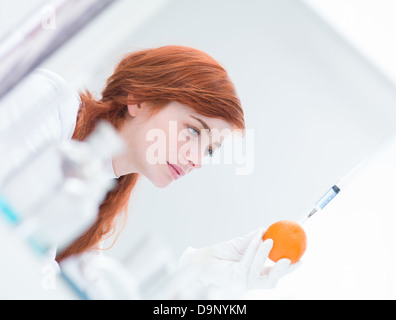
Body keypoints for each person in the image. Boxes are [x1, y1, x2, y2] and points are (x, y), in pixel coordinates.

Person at [7, 45, 300, 290]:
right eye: (194, 130)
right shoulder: (47, 103)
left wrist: (193, 280)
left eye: (210, 150)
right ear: (138, 99)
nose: (197, 160)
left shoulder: (96, 205)